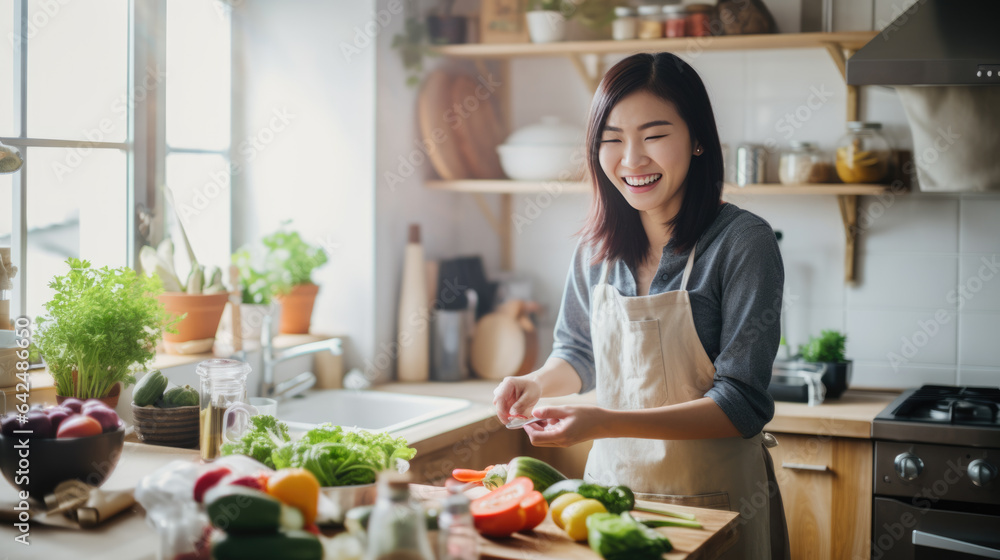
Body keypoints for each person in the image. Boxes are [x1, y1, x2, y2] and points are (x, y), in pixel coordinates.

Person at [492, 52, 789, 560]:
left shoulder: (742, 242)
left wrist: (604, 422)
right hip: (610, 504)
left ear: (698, 140)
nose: (631, 160)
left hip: (717, 511)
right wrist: (537, 383)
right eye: (612, 139)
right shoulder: (595, 248)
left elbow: (740, 403)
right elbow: (578, 352)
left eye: (653, 136)